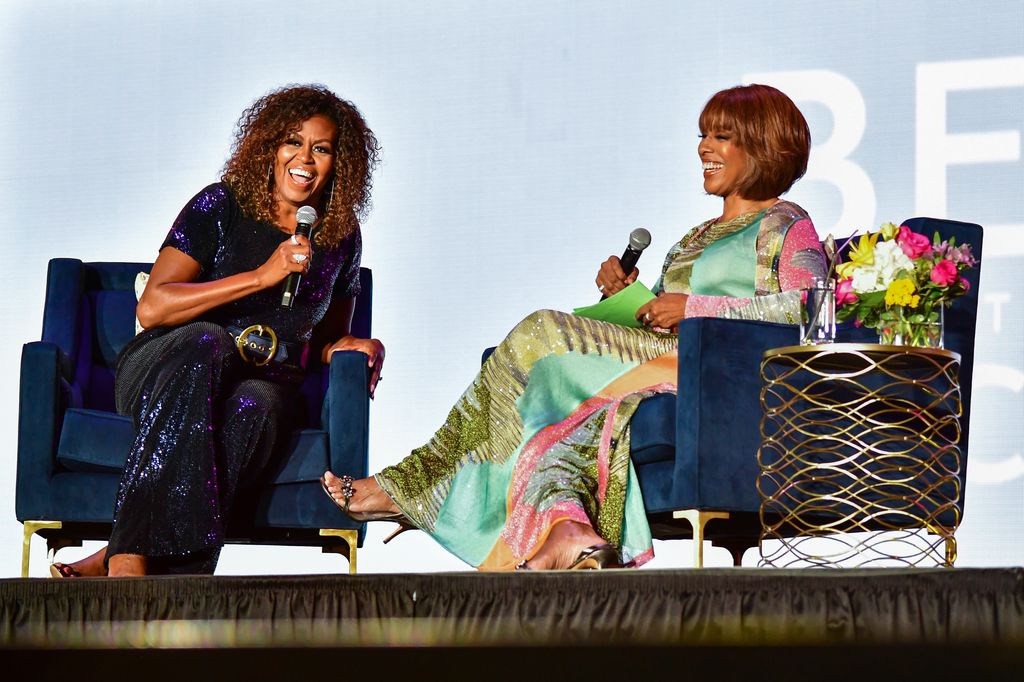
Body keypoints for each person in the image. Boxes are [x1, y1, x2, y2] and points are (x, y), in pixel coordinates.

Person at [322, 83, 824, 571]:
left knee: (541, 331)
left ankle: (412, 487)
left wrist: (692, 308)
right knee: (548, 426)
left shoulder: (786, 223)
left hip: (710, 375)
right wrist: (629, 297)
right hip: (659, 359)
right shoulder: (695, 237)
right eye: (702, 135)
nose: (703, 149)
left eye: (721, 137)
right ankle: (571, 532)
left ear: (761, 144)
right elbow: (663, 311)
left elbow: (808, 308)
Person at [50, 84, 383, 577]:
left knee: (256, 405)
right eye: (293, 141)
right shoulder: (220, 206)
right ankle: (126, 562)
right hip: (168, 365)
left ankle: (140, 564)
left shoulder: (339, 237)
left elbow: (328, 340)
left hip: (265, 381)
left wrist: (359, 346)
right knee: (207, 340)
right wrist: (260, 277)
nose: (305, 159)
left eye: (322, 148)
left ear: (341, 162)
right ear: (269, 147)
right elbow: (153, 306)